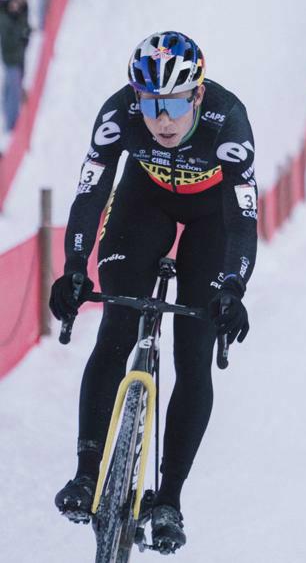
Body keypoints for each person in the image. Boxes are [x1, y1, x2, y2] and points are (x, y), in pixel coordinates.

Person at [50, 32, 257, 554]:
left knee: (194, 354)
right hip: (144, 204)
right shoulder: (119, 114)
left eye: (172, 105)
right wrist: (75, 266)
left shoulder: (228, 121)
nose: (161, 120)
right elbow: (91, 188)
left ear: (198, 96)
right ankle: (86, 473)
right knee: (117, 326)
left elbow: (242, 218)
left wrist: (234, 284)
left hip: (213, 219)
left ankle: (168, 499)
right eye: (150, 104)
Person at [0, 0, 31, 131]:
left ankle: (10, 119)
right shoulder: (6, 16)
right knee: (12, 90)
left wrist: (25, 34)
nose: (19, 3)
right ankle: (12, 123)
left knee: (11, 88)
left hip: (18, 56)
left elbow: (25, 30)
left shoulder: (21, 12)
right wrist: (21, 34)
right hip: (11, 57)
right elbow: (10, 38)